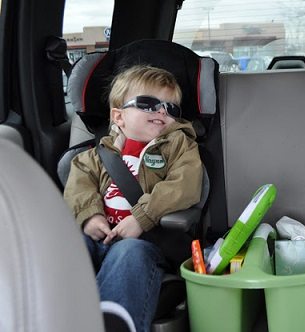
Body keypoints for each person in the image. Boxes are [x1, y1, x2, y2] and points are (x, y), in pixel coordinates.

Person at [64, 64, 203, 331]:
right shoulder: (96, 156)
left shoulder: (179, 147)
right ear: (118, 117)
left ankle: (115, 320)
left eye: (170, 108)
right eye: (148, 104)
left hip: (147, 241)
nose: (162, 111)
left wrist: (142, 218)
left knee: (129, 253)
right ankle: (59, 311)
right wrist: (90, 217)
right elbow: (79, 186)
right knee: (72, 245)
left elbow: (184, 186)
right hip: (99, 236)